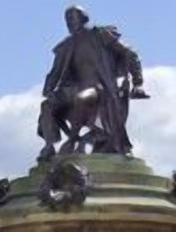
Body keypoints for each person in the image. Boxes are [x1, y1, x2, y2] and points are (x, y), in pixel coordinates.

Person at [37, 5, 147, 161]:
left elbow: (130, 55)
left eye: (72, 18)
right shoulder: (66, 46)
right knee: (47, 106)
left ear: (83, 18)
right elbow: (55, 72)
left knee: (82, 99)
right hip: (73, 88)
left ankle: (73, 139)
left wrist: (138, 82)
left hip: (100, 88)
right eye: (67, 19)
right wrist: (48, 89)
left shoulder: (101, 35)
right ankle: (49, 146)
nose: (69, 22)